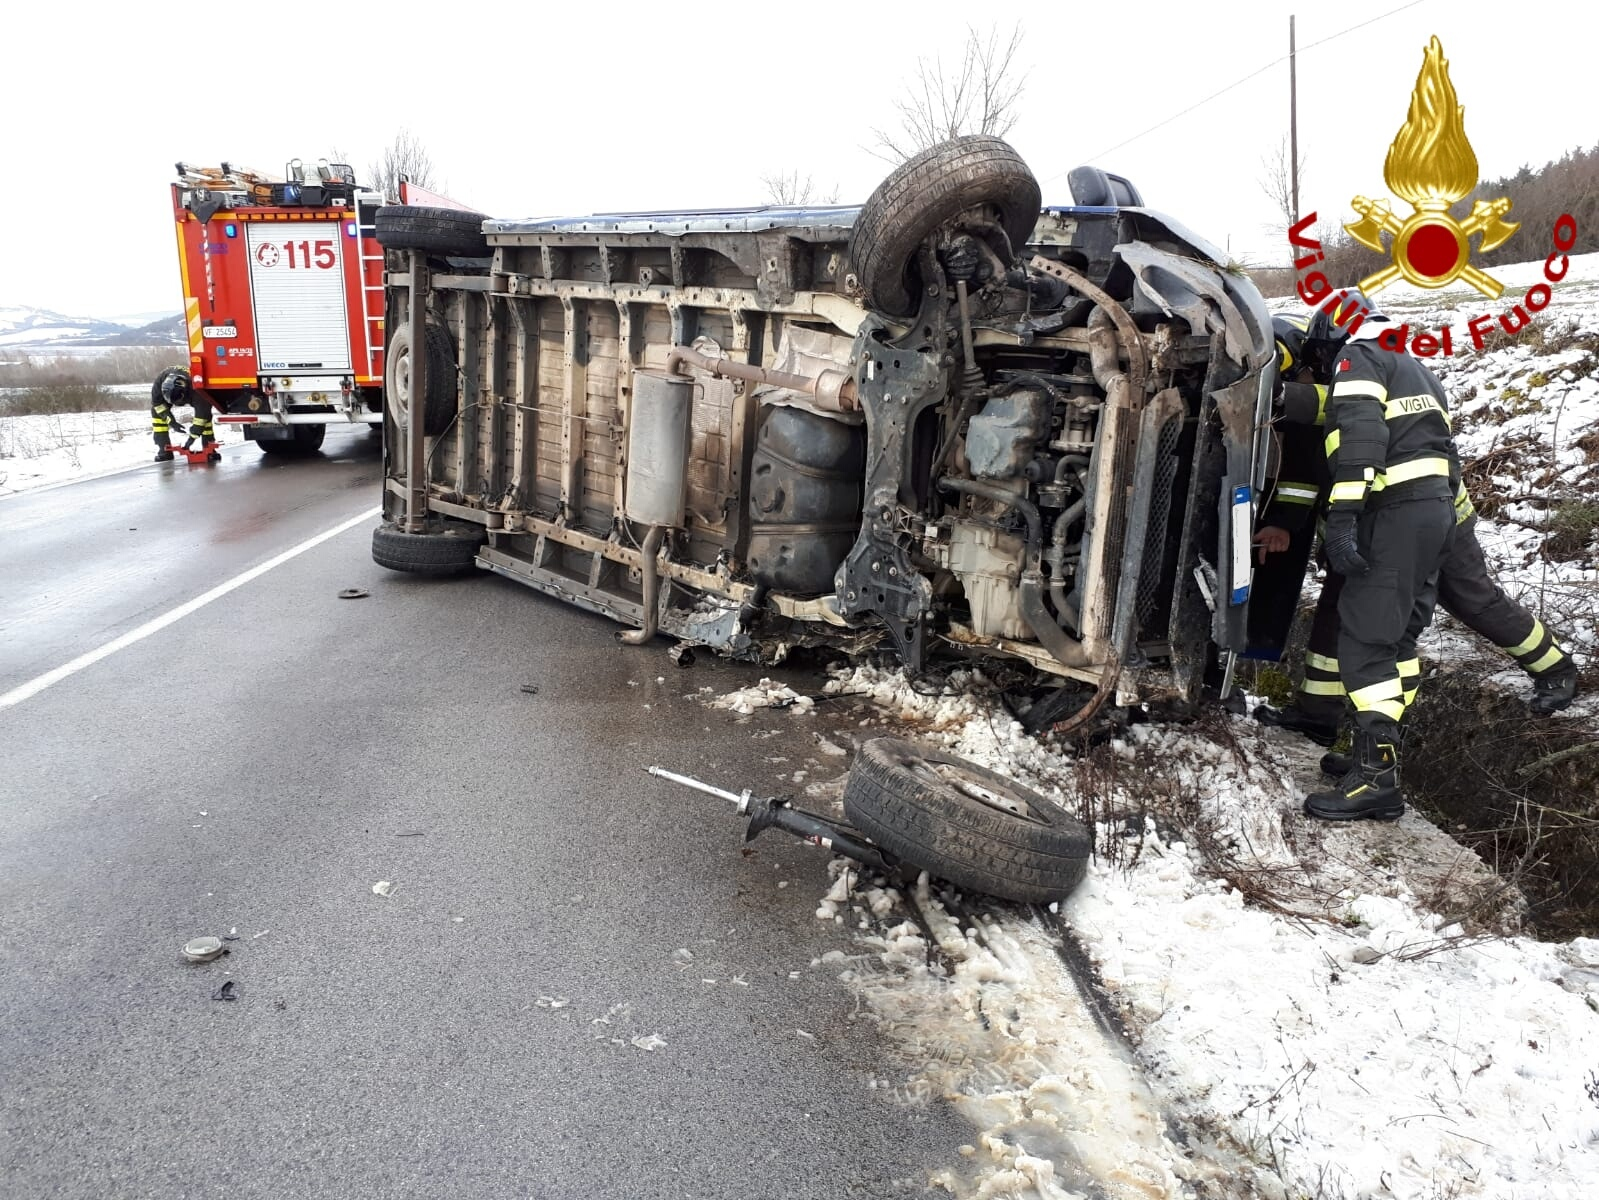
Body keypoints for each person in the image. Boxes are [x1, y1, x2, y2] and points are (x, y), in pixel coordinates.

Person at [1284, 291, 1459, 821]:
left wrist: (1341, 520)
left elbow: (1361, 445)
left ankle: (1376, 779)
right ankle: (1374, 754)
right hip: (1435, 514)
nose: (1324, 368)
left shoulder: (1356, 357)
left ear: (1333, 334)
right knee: (1399, 640)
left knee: (1364, 640)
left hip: (1394, 515)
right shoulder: (1416, 367)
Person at [150, 368, 220, 464]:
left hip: (192, 390)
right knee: (156, 415)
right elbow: (158, 405)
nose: (177, 404)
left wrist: (192, 438)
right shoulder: (158, 385)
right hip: (167, 391)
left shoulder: (196, 389)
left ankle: (209, 449)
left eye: (178, 400)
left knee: (205, 419)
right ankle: (164, 451)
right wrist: (172, 423)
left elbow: (202, 414)